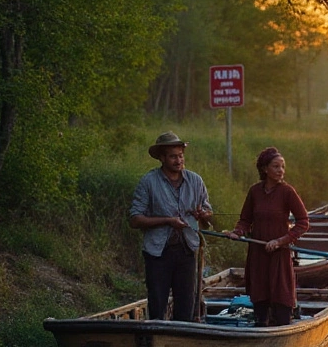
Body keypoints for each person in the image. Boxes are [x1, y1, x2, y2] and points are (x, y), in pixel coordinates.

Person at [129, 131, 213, 322]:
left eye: (181, 156)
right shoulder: (149, 182)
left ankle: (181, 345)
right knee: (157, 304)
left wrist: (203, 215)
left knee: (186, 305)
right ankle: (155, 343)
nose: (178, 160)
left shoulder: (195, 181)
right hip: (158, 252)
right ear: (162, 158)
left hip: (187, 250)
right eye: (173, 156)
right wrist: (167, 220)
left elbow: (208, 214)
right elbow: (135, 219)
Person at [229, 147, 310, 326]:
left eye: (282, 166)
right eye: (276, 166)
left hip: (279, 254)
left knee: (281, 300)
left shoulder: (287, 192)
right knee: (260, 301)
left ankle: (282, 327)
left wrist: (281, 241)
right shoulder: (255, 192)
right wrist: (237, 232)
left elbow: (303, 222)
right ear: (265, 169)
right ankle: (261, 326)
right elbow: (245, 220)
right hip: (258, 253)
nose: (281, 170)